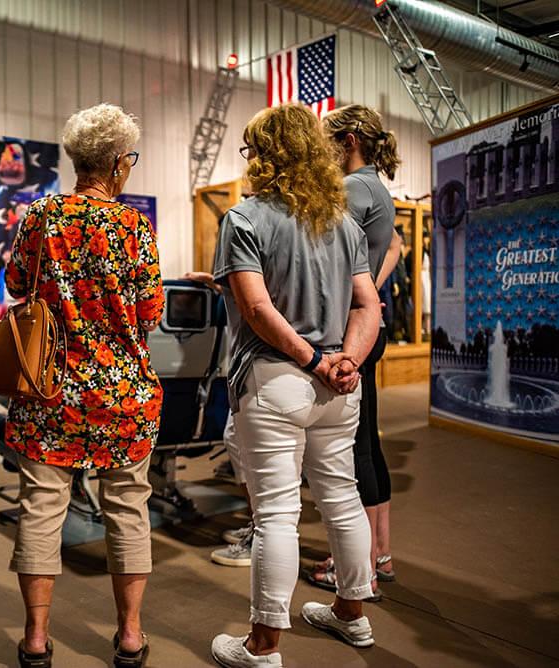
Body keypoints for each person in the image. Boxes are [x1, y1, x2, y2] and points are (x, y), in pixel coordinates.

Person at [208, 103, 382, 667]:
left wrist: (312, 360)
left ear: (265, 154)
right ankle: (352, 615)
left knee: (278, 514)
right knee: (342, 497)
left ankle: (263, 646)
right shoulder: (345, 223)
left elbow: (256, 310)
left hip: (276, 379)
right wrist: (345, 361)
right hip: (338, 383)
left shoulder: (246, 218)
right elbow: (367, 303)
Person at [4, 103, 164, 668]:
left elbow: (18, 283)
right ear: (118, 163)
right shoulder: (133, 226)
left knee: (41, 508)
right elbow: (150, 308)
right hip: (121, 394)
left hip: (51, 390)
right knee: (127, 508)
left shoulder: (39, 215)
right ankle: (128, 636)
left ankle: (36, 641)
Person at [307, 104, 403, 598]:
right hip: (367, 325)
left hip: (351, 331)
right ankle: (379, 552)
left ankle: (360, 564)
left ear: (347, 142)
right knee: (369, 442)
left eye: (327, 141)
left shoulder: (350, 189)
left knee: (356, 447)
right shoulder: (376, 188)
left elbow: (322, 257)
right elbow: (393, 249)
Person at [182, 270, 255, 569]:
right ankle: (259, 528)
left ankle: (260, 536)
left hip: (261, 362)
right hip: (256, 362)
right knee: (237, 443)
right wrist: (215, 281)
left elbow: (257, 295)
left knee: (251, 452)